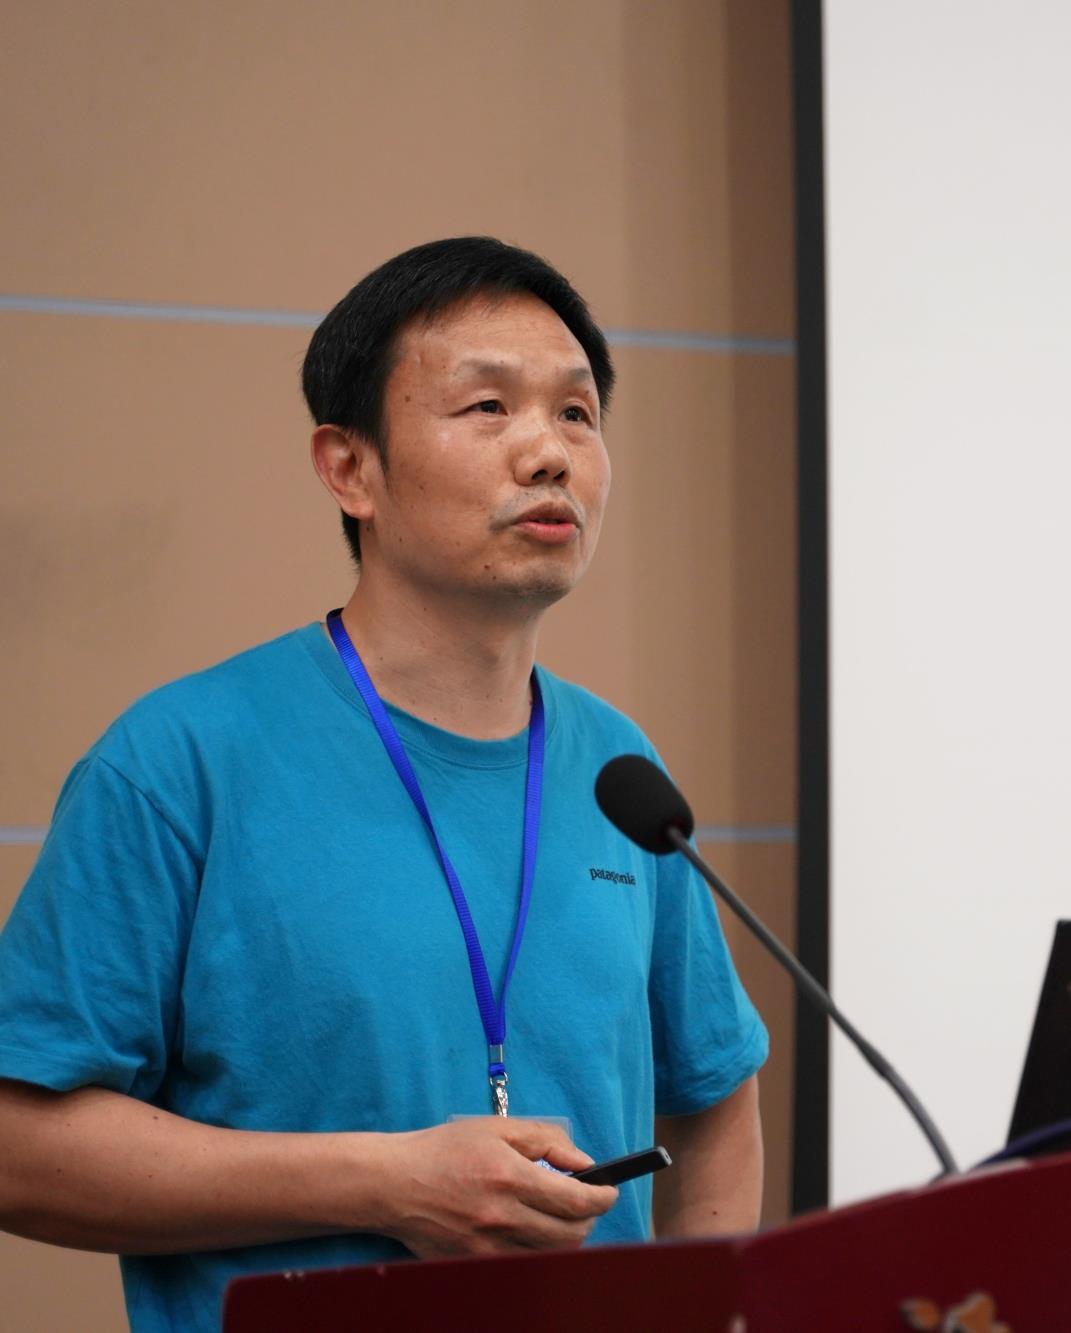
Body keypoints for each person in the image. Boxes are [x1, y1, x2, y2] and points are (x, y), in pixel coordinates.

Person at [0, 237, 769, 1332]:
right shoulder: (178, 761)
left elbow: (716, 1093)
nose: (548, 453)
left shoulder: (619, 770)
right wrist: (386, 1182)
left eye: (577, 413)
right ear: (349, 468)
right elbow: (18, 1149)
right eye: (488, 407)